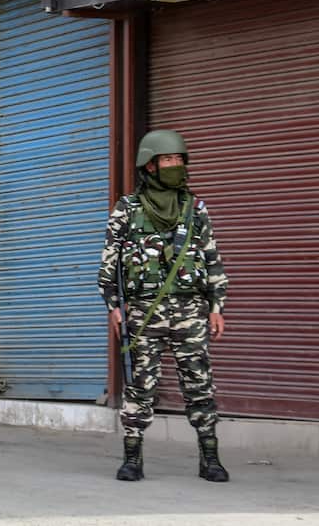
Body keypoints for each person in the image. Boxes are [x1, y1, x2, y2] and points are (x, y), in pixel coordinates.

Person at [98, 130, 230, 483]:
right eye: (169, 160)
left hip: (191, 311)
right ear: (150, 165)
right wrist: (113, 305)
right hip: (143, 312)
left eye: (179, 159)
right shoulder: (127, 209)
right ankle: (132, 459)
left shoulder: (195, 208)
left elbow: (212, 259)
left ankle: (210, 458)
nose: (176, 165)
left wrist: (217, 306)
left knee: (199, 383)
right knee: (141, 386)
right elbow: (109, 262)